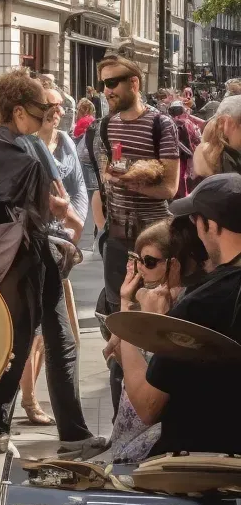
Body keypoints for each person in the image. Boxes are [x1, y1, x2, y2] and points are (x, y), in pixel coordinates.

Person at [0, 71, 104, 458]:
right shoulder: (31, 148)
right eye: (39, 109)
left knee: (20, 341)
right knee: (60, 341)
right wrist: (72, 227)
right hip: (34, 252)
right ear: (19, 111)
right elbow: (54, 205)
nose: (47, 115)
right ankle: (72, 434)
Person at [108, 173, 241, 456]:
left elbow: (147, 405)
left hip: (204, 465)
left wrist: (132, 327)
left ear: (211, 224)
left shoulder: (202, 303)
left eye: (196, 220)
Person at [92, 56, 180, 414]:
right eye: (103, 84)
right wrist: (102, 225)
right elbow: (103, 182)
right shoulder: (105, 126)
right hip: (117, 240)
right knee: (120, 324)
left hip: (153, 240)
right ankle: (120, 420)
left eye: (113, 83)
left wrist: (134, 183)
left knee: (153, 325)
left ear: (134, 83)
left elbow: (171, 189)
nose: (107, 90)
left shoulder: (161, 125)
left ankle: (152, 412)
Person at [17, 85, 88, 426]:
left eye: (62, 105)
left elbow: (78, 190)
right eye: (52, 105)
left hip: (60, 246)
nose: (59, 110)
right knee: (36, 332)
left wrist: (73, 231)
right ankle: (28, 400)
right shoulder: (27, 144)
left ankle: (31, 402)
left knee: (54, 334)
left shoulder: (66, 141)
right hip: (37, 245)